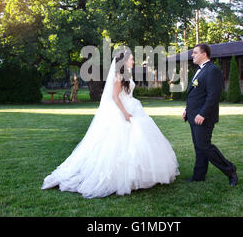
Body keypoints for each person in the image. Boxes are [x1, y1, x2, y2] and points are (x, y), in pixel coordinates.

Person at [41, 50, 179, 198]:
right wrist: (125, 113)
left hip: (132, 107)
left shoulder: (126, 74)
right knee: (119, 142)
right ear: (124, 61)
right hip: (121, 110)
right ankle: (121, 176)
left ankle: (140, 175)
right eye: (131, 59)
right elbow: (115, 96)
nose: (133, 62)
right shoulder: (119, 75)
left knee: (139, 139)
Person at [183, 43, 238, 186]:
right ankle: (198, 175)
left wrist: (203, 114)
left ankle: (230, 169)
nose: (192, 55)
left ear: (204, 54)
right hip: (193, 115)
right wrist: (187, 110)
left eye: (195, 53)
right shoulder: (199, 70)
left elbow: (213, 96)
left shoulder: (213, 70)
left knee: (204, 146)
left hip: (203, 117)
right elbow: (196, 94)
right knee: (198, 146)